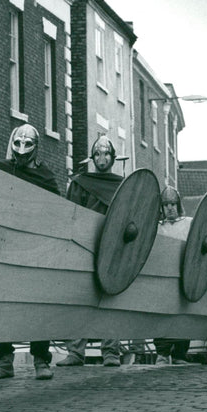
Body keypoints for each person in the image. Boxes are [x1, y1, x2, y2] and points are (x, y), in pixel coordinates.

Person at [0, 124, 60, 381]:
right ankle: (4, 360)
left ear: (36, 147)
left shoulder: (46, 178)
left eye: (28, 144)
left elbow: (57, 213)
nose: (22, 148)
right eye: (18, 142)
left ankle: (41, 360)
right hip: (5, 245)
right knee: (1, 304)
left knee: (38, 306)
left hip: (35, 248)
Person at [56, 135, 124, 368]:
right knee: (80, 299)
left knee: (110, 300)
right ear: (92, 158)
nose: (102, 158)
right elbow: (71, 214)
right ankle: (75, 351)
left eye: (106, 153)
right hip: (85, 248)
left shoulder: (123, 185)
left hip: (113, 249)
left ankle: (111, 352)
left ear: (113, 157)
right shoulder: (81, 183)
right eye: (98, 154)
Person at [153, 186, 191, 365]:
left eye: (173, 204)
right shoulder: (157, 227)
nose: (169, 208)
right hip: (162, 278)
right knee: (162, 316)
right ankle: (162, 352)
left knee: (183, 315)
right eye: (166, 204)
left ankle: (180, 354)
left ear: (178, 205)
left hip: (184, 275)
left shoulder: (189, 224)